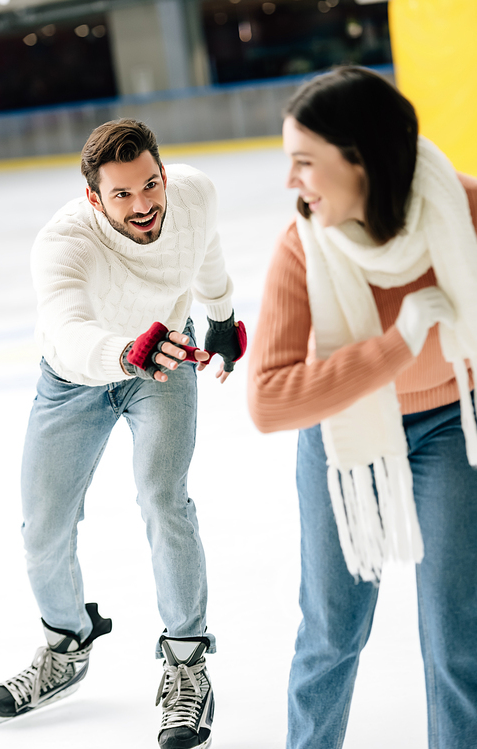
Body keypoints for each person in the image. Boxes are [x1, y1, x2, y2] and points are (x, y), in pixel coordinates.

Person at [0, 118, 246, 749]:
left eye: (150, 185)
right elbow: (70, 330)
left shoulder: (191, 194)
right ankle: (66, 647)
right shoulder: (64, 243)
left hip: (164, 364)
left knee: (164, 501)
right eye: (123, 195)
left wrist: (222, 317)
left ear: (163, 173)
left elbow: (204, 247)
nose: (144, 204)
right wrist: (127, 353)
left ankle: (187, 666)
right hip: (76, 377)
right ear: (94, 200)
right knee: (43, 524)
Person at [248, 66, 477, 749]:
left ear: (362, 160)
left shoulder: (463, 214)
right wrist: (396, 345)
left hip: (449, 425)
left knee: (458, 637)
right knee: (329, 634)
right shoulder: (303, 245)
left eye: (305, 163)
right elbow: (267, 401)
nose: (292, 182)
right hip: (344, 439)